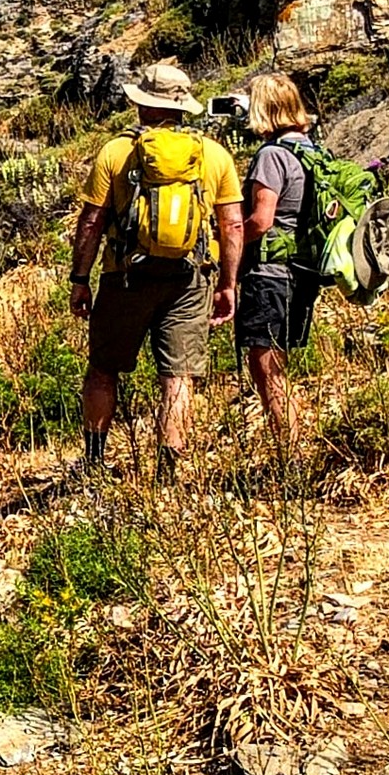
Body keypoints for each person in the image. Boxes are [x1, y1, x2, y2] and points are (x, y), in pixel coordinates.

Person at [67, 59, 244, 478]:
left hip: (125, 275)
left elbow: (91, 221)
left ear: (143, 106)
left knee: (103, 369)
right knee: (178, 375)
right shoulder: (214, 155)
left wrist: (80, 279)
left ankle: (93, 461)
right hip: (190, 278)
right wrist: (228, 283)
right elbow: (232, 223)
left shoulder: (117, 151)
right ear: (183, 108)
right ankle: (169, 469)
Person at [236, 72, 325, 452]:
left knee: (265, 365)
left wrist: (228, 242)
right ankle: (294, 443)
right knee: (279, 362)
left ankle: (290, 451)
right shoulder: (313, 152)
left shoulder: (272, 156)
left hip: (270, 273)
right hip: (302, 272)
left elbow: (261, 219)